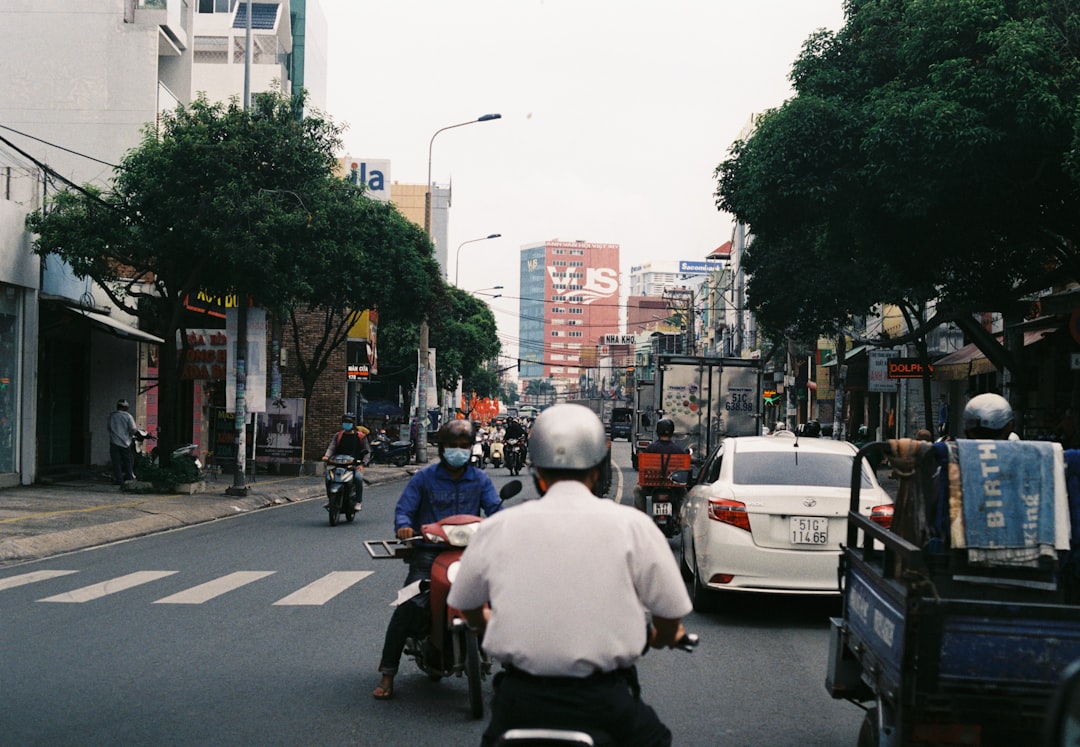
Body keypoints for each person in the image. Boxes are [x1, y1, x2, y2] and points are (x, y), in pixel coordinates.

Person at [448, 404, 692, 746]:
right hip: (605, 700)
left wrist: (493, 622)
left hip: (520, 701)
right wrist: (664, 635)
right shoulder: (633, 525)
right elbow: (668, 615)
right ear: (597, 470)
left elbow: (468, 606)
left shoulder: (498, 527)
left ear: (536, 471)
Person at [373, 419, 502, 700]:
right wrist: (404, 526)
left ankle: (517, 673)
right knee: (407, 605)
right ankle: (387, 672)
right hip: (428, 552)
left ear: (471, 449)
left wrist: (504, 525)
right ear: (442, 448)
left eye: (464, 446)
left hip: (471, 553)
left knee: (504, 600)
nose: (458, 451)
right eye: (453, 447)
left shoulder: (480, 479)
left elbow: (495, 509)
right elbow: (404, 510)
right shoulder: (424, 478)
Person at [633, 418, 689, 513]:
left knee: (637, 490)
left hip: (651, 484)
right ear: (672, 432)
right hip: (674, 486)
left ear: (658, 432)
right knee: (684, 494)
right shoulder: (678, 450)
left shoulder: (650, 448)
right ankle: (681, 515)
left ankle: (641, 515)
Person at [322, 413, 369, 512]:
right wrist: (327, 456)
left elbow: (367, 452)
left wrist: (362, 464)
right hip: (338, 464)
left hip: (354, 466)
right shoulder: (338, 435)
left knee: (358, 478)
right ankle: (330, 499)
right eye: (344, 422)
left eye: (348, 422)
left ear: (353, 424)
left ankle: (358, 501)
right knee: (328, 477)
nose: (346, 424)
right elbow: (332, 447)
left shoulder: (361, 436)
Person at [107, 399, 138, 485]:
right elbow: (133, 429)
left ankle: (119, 480)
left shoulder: (112, 416)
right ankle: (129, 478)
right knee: (128, 461)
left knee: (116, 462)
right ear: (126, 407)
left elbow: (109, 428)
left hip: (114, 442)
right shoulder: (128, 416)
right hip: (126, 442)